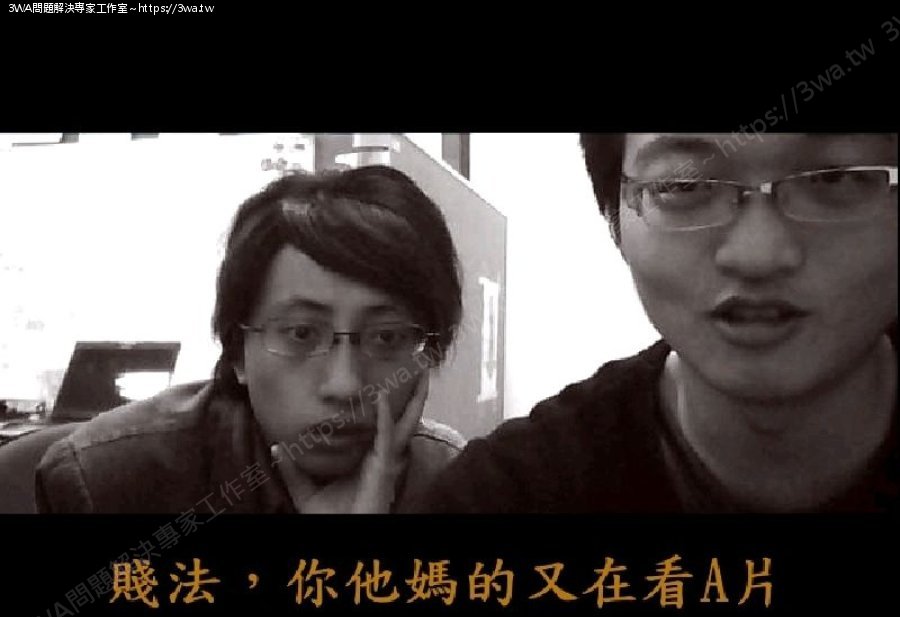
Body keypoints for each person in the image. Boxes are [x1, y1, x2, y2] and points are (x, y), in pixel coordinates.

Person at [417, 133, 897, 513]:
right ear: (617, 220)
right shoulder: (503, 497)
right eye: (683, 185)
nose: (758, 255)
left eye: (835, 178)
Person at [37, 165, 465, 513]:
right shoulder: (106, 482)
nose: (345, 386)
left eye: (387, 337)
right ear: (238, 351)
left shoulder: (453, 483)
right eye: (301, 333)